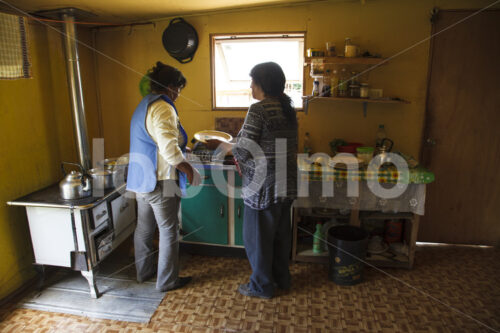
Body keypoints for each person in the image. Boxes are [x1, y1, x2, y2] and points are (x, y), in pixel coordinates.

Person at [209, 62, 298, 299]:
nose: (250, 87)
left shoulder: (258, 109)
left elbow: (243, 151)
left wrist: (223, 145)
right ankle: (282, 279)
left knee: (258, 240)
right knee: (280, 238)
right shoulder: (288, 109)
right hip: (286, 184)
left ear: (262, 85)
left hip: (263, 188)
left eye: (252, 82)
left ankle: (261, 286)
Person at [126, 62, 201, 292]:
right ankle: (167, 281)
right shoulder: (163, 108)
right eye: (178, 89)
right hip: (159, 181)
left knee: (144, 229)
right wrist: (190, 170)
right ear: (170, 87)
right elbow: (168, 151)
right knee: (169, 231)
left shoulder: (144, 104)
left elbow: (157, 140)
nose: (178, 94)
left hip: (140, 180)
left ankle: (144, 273)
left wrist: (182, 149)